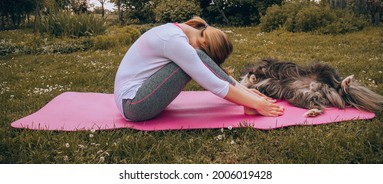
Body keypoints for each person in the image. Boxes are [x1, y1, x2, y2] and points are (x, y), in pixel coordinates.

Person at [114, 17, 284, 122]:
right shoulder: (175, 41)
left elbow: (214, 74)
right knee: (190, 61)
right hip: (134, 106)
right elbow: (214, 84)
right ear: (204, 43)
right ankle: (248, 101)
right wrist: (257, 104)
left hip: (133, 100)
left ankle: (247, 96)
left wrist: (247, 94)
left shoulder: (174, 32)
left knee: (194, 57)